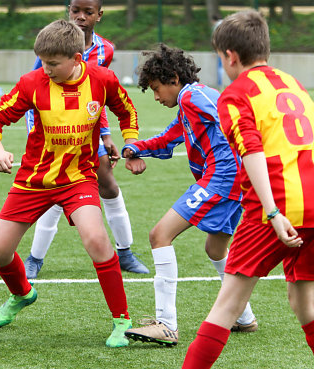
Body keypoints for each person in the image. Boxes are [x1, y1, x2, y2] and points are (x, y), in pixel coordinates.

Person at [0, 19, 141, 348]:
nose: (46, 69)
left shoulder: (102, 80)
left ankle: (121, 321)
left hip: (78, 178)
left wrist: (131, 144)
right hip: (34, 179)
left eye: (53, 63)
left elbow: (126, 110)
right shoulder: (31, 83)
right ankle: (22, 293)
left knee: (97, 240)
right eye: (42, 61)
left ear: (77, 59)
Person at [182, 10, 314, 368]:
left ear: (230, 56)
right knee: (305, 300)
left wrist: (271, 212)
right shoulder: (292, 82)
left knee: (229, 302)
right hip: (313, 201)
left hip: (279, 206)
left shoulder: (236, 93)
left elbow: (252, 152)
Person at [120, 43, 256, 347]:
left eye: (156, 89)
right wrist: (136, 148)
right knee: (215, 249)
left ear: (173, 78)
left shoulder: (195, 96)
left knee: (159, 235)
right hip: (233, 180)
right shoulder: (188, 104)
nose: (156, 97)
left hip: (223, 177)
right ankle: (244, 317)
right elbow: (169, 138)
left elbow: (232, 116)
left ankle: (166, 324)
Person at [23, 0, 149, 279]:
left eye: (88, 12)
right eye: (75, 11)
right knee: (56, 193)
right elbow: (35, 92)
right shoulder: (53, 48)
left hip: (88, 132)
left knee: (109, 186)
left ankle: (125, 253)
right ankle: (35, 258)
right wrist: (37, 135)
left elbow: (98, 96)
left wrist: (105, 135)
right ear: (68, 12)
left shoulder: (105, 49)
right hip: (53, 133)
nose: (81, 17)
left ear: (99, 16)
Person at [211, 15, 224, 88]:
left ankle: (220, 84)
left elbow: (215, 39)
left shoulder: (216, 27)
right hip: (229, 49)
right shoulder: (226, 24)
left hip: (220, 49)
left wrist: (214, 50)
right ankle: (232, 83)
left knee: (220, 67)